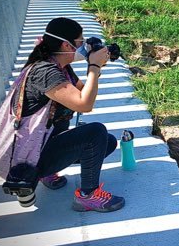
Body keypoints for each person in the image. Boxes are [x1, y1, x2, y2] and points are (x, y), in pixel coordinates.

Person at [9, 17, 125, 212]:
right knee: (96, 132)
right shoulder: (45, 72)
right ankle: (88, 196)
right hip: (29, 158)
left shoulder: (57, 64)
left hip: (40, 145)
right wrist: (94, 67)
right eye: (80, 42)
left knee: (108, 141)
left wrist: (97, 64)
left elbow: (81, 92)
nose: (83, 46)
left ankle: (48, 172)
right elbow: (84, 104)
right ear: (65, 44)